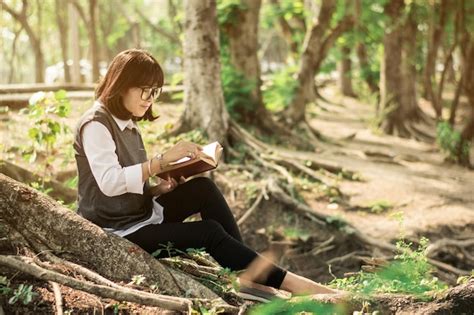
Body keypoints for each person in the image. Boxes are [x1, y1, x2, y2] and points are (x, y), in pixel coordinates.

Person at [74, 48, 338, 299]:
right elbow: (109, 184)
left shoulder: (128, 124)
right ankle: (294, 284)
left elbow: (125, 182)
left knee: (203, 188)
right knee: (208, 232)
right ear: (121, 84)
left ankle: (251, 277)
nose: (150, 99)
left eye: (155, 92)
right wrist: (161, 162)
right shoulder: (96, 124)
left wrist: (157, 189)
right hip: (117, 230)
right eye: (145, 91)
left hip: (138, 216)